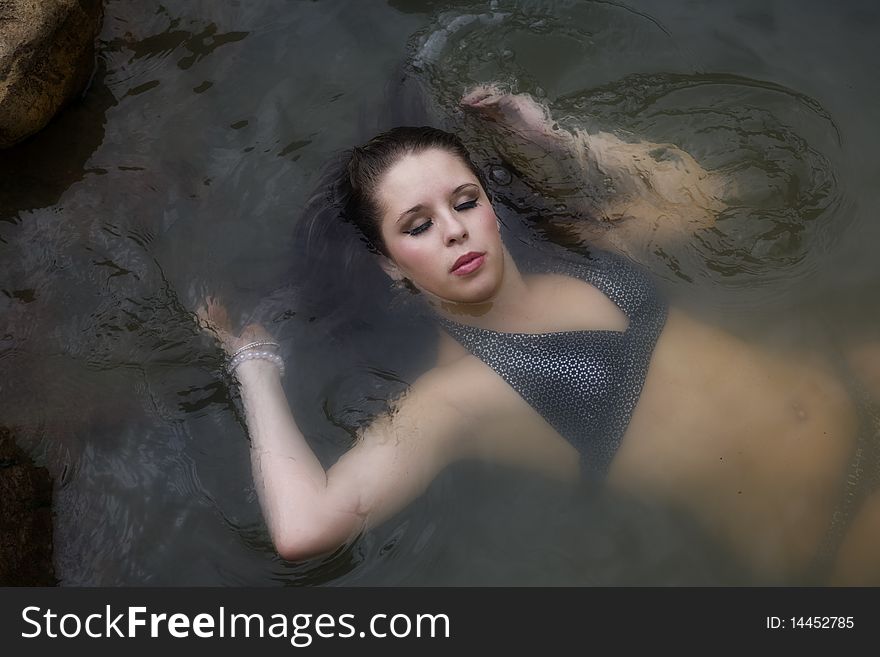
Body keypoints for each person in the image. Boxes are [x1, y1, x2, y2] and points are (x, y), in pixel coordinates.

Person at [197, 111, 880, 585]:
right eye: (418, 224)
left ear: (491, 206)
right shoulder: (459, 394)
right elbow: (306, 528)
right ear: (389, 263)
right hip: (837, 515)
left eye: (464, 202)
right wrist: (253, 362)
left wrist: (556, 138)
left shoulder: (574, 248)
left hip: (850, 378)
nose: (455, 231)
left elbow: (707, 202)